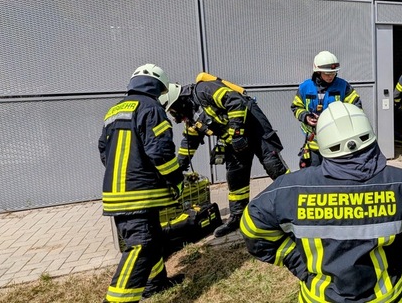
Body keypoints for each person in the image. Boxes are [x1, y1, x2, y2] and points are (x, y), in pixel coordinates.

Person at [241, 101, 402, 303]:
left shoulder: (289, 189)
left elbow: (252, 227)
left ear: (323, 145)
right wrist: (401, 253)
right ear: (371, 137)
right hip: (388, 296)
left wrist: (299, 263)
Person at [160, 72, 289, 238]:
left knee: (273, 166)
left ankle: (296, 202)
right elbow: (189, 143)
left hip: (255, 128)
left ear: (178, 102)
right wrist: (179, 167)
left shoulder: (204, 90)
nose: (174, 116)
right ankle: (238, 216)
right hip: (235, 140)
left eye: (172, 111)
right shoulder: (192, 114)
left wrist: (237, 134)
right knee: (235, 176)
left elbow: (235, 101)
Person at [98, 64, 185, 302]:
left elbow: (104, 151)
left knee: (152, 237)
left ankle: (157, 282)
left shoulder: (114, 110)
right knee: (142, 246)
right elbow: (160, 153)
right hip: (138, 194)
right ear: (160, 86)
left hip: (118, 192)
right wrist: (176, 180)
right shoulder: (151, 108)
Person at [291, 50, 362, 169]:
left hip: (337, 142)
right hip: (314, 143)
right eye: (327, 73)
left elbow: (356, 108)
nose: (331, 76)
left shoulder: (343, 86)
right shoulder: (305, 87)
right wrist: (306, 116)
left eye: (334, 73)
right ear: (318, 72)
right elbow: (296, 107)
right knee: (315, 175)